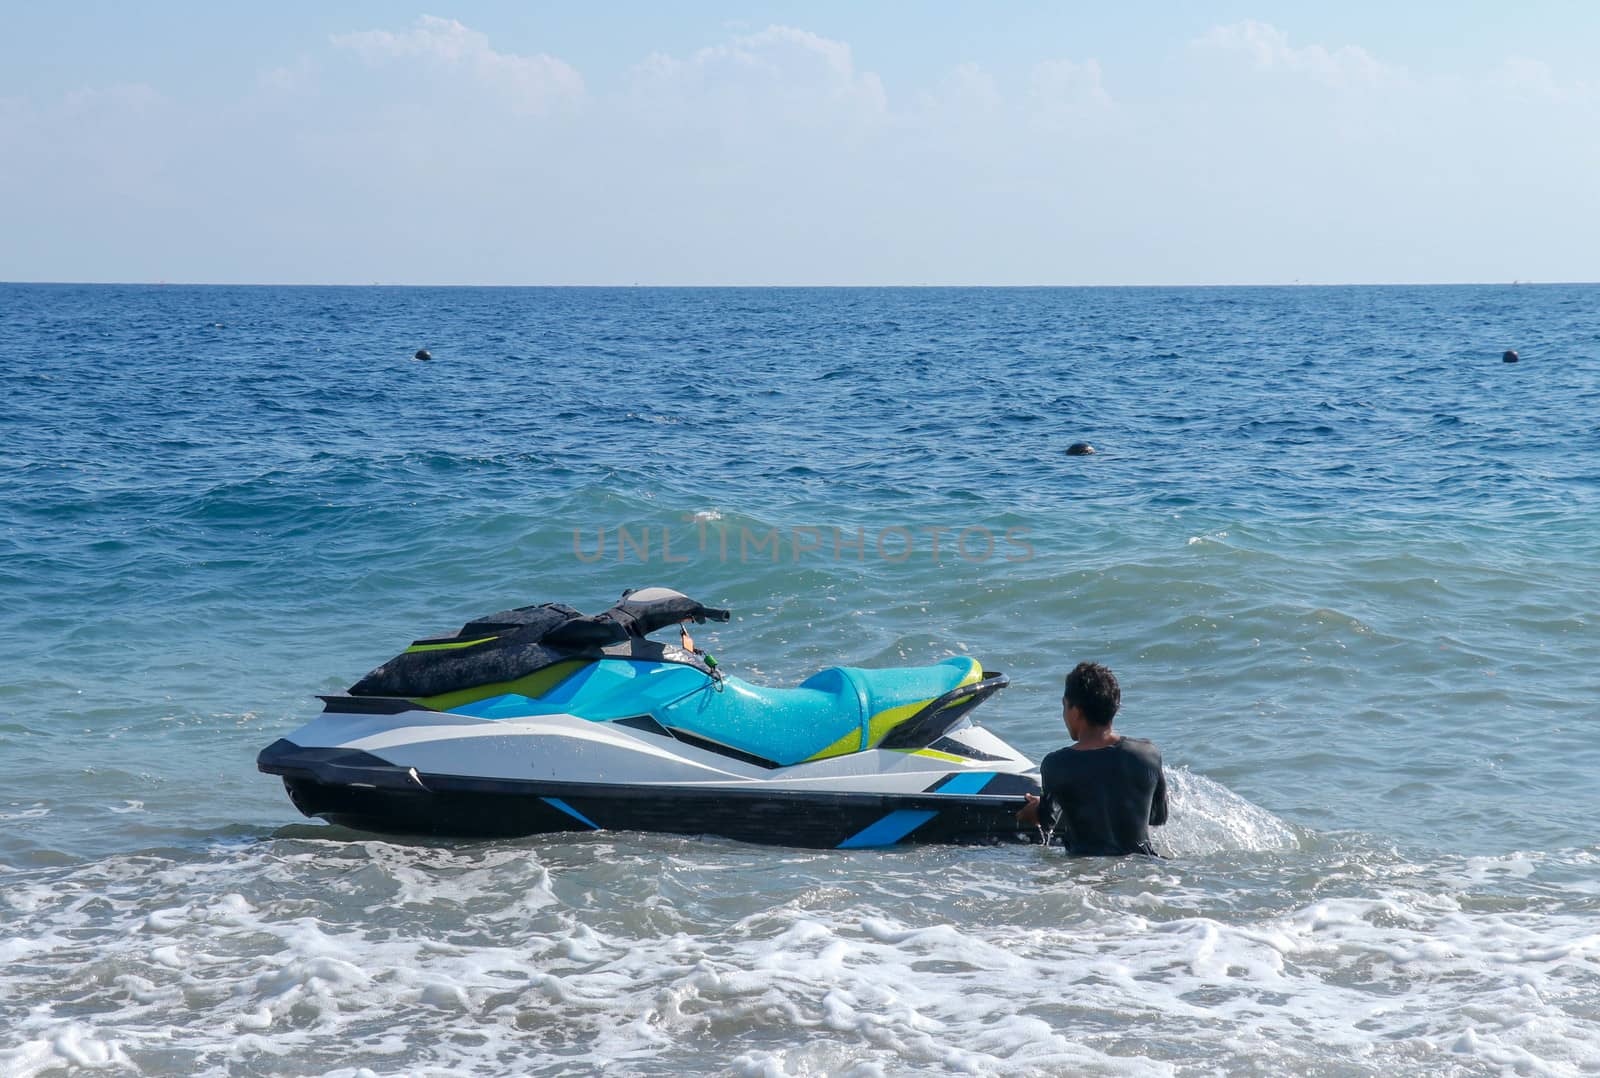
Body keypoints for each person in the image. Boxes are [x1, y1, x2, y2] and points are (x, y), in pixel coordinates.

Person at [1016, 661, 1167, 856]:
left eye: (1064, 706)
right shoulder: (1147, 754)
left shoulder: (1057, 764)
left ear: (1076, 712)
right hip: (1142, 873)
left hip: (1084, 873)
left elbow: (1046, 820)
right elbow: (1158, 817)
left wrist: (1032, 811)